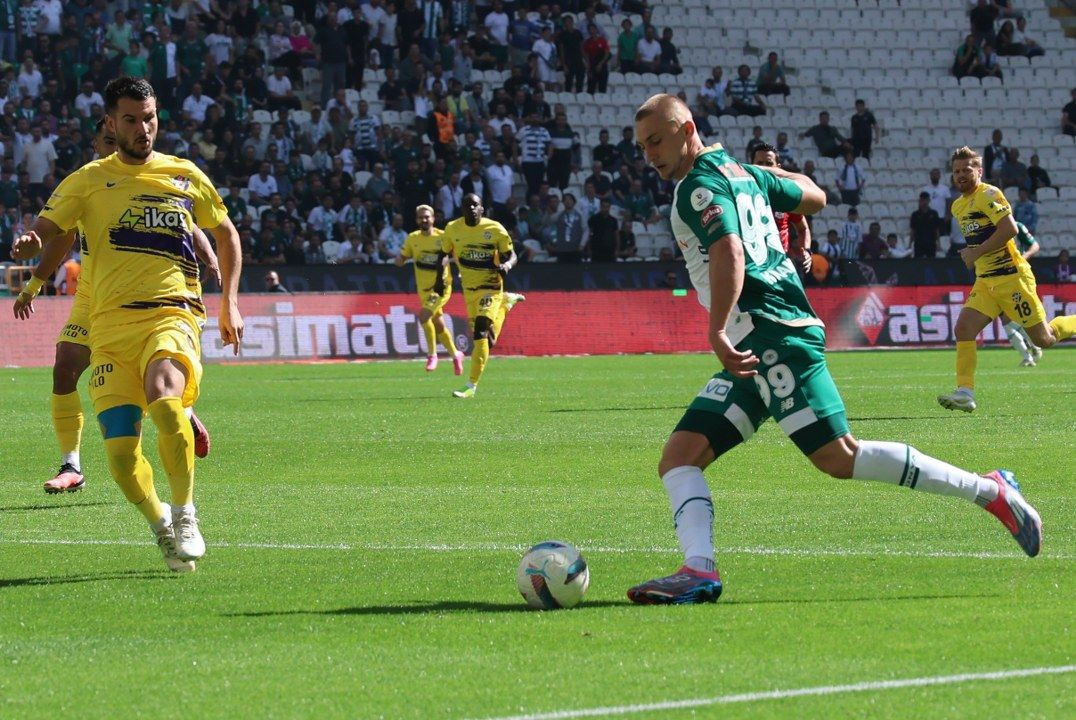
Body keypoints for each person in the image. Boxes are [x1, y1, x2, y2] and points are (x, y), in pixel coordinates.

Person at [625, 94, 1043, 606]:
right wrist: (770, 187)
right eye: (643, 146)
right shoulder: (744, 173)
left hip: (768, 333)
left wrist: (717, 331)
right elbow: (813, 196)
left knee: (838, 457)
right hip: (760, 342)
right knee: (680, 457)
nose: (650, 155)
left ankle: (992, 491)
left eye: (657, 141)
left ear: (686, 129)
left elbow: (729, 251)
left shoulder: (697, 185)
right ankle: (699, 570)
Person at [12, 77, 243, 573]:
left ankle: (185, 513)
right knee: (119, 453)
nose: (144, 129)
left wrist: (229, 303)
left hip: (171, 312)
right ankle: (160, 525)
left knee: (163, 396)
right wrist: (33, 247)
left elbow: (223, 233)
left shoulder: (183, 174)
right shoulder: (87, 180)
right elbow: (51, 228)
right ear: (112, 124)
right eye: (133, 120)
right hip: (108, 326)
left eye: (151, 118)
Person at [11, 117, 217, 494]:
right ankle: (70, 465)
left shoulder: (151, 175)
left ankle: (181, 412)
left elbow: (189, 223)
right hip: (94, 293)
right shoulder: (87, 182)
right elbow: (61, 236)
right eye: (107, 139)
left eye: (115, 139)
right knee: (64, 368)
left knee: (144, 370)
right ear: (98, 141)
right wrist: (35, 284)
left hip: (144, 294)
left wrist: (210, 257)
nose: (112, 145)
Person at [937, 146, 1076, 413]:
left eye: (967, 170)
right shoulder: (958, 205)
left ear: (979, 170)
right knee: (963, 329)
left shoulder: (989, 194)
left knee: (1043, 339)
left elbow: (1010, 229)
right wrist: (976, 256)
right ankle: (965, 392)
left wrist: (975, 252)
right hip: (986, 281)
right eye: (956, 171)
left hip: (1012, 278)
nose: (961, 175)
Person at [437, 193, 525, 398]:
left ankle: (471, 386)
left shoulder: (494, 229)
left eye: (475, 205)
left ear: (482, 209)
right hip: (469, 290)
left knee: (480, 332)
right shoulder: (453, 229)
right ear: (462, 209)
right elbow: (442, 254)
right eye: (467, 206)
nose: (471, 209)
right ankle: (505, 305)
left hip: (491, 287)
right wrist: (438, 280)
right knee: (488, 341)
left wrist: (507, 265)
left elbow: (512, 254)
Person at [394, 204, 465, 374]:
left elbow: (457, 255)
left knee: (424, 316)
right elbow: (402, 258)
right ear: (416, 220)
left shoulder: (443, 237)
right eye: (420, 217)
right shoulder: (412, 238)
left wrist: (462, 271)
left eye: (427, 217)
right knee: (438, 324)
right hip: (423, 289)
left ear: (433, 218)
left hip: (441, 286)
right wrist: (399, 260)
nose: (424, 220)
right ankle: (456, 354)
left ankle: (432, 355)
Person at [751, 144, 811, 271]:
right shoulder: (743, 194)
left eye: (768, 163)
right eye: (759, 163)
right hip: (752, 265)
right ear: (751, 165)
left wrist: (806, 250)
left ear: (778, 168)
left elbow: (803, 229)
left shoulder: (786, 196)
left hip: (780, 265)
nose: (763, 168)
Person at [909, 192, 941, 258]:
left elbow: (937, 230)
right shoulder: (915, 214)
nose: (924, 202)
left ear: (929, 201)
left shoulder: (934, 214)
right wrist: (909, 244)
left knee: (931, 263)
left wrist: (938, 243)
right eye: (922, 200)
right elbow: (913, 230)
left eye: (926, 200)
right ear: (920, 201)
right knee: (918, 263)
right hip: (919, 243)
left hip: (931, 242)